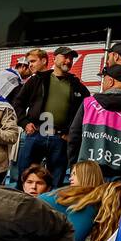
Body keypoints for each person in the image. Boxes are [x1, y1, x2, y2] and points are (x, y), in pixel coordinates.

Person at [14, 45, 89, 188]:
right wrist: (24, 123)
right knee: (24, 178)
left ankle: (49, 209)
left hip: (60, 138)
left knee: (56, 182)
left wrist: (70, 133)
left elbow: (86, 111)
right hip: (36, 134)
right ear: (54, 59)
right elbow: (18, 103)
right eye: (65, 57)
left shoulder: (77, 86)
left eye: (71, 58)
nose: (68, 61)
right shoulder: (38, 79)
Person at [66, 64, 121, 180]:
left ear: (110, 81)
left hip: (87, 173)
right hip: (120, 177)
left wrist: (73, 166)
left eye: (103, 80)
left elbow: (74, 136)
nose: (102, 83)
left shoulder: (89, 103)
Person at [40, 159, 121, 241]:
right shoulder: (86, 204)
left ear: (86, 176)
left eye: (74, 174)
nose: (70, 178)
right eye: (71, 175)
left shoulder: (84, 200)